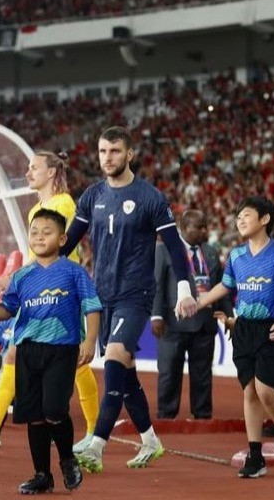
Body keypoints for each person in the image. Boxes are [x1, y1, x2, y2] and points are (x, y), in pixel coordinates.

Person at [63, 126, 198, 473]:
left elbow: (174, 248)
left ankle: (96, 445)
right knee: (126, 375)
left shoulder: (150, 197)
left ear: (130, 154)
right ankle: (150, 440)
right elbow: (66, 244)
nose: (108, 158)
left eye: (115, 151)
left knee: (113, 359)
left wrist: (184, 288)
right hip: (101, 295)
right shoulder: (92, 196)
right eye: (103, 151)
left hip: (135, 294)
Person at [0, 151, 101, 454]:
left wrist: (22, 277)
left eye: (34, 168)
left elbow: (57, 252)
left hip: (62, 296)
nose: (28, 173)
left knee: (77, 364)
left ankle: (94, 430)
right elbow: (36, 256)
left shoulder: (65, 204)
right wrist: (17, 278)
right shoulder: (36, 210)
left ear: (52, 172)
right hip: (36, 295)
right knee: (14, 355)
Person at [0, 208, 101, 494]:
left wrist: (90, 341)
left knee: (55, 409)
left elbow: (92, 307)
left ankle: (68, 459)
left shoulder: (74, 272)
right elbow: (6, 310)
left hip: (63, 349)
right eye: (34, 232)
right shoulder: (21, 276)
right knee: (34, 415)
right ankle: (42, 475)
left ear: (62, 238)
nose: (39, 237)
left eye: (47, 232)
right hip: (28, 351)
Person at [197, 196, 274, 478]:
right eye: (238, 217)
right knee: (249, 392)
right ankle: (255, 457)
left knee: (266, 390)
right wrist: (200, 302)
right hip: (243, 328)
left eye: (246, 215)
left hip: (272, 328)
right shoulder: (235, 256)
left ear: (265, 219)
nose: (240, 221)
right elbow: (225, 285)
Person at [151, 209, 228, 420]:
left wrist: (228, 316)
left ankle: (202, 413)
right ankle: (166, 414)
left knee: (202, 373)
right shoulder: (165, 249)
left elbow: (222, 287)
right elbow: (157, 284)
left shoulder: (211, 252)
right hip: (173, 322)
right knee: (169, 372)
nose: (204, 230)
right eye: (199, 227)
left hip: (205, 323)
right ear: (184, 228)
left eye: (205, 226)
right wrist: (156, 316)